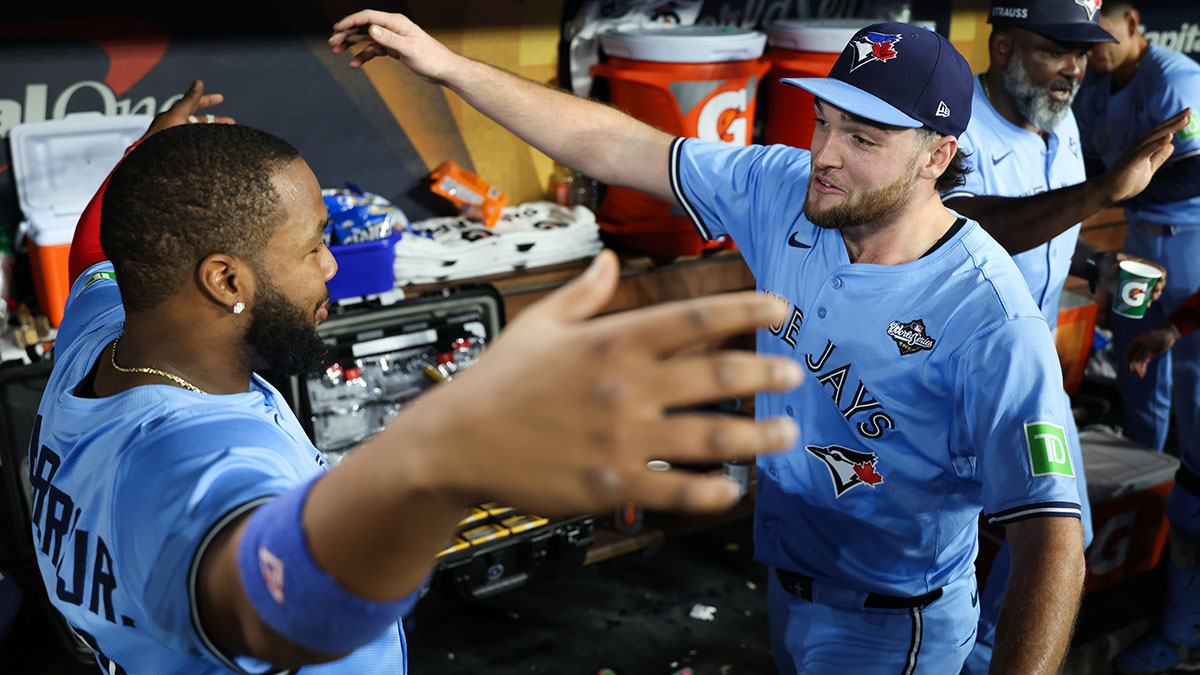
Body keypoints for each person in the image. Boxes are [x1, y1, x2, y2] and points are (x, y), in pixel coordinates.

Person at [329, 12, 1089, 673]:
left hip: (896, 623)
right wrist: (449, 67)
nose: (825, 152)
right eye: (824, 120)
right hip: (787, 586)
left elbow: (1054, 541)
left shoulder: (988, 314)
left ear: (936, 157)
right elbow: (618, 145)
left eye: (864, 137)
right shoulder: (788, 188)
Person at [30, 80, 806, 674]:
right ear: (226, 280)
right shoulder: (202, 460)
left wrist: (147, 155)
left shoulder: (102, 333)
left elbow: (91, 251)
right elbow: (271, 603)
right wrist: (436, 465)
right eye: (313, 246)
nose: (332, 266)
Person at [936, 2, 1183, 671]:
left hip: (1030, 373)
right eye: (1054, 51)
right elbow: (963, 234)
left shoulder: (1059, 118)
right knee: (957, 543)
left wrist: (1094, 264)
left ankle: (983, 653)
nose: (1073, 70)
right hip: (951, 376)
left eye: (1080, 54)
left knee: (1056, 538)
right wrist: (1106, 190)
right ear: (1004, 43)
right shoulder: (952, 123)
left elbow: (1045, 227)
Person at [1073, 4, 1200, 671]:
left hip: (1188, 246)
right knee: (1135, 375)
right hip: (1142, 248)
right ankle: (1138, 513)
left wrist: (1113, 192)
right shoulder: (1097, 81)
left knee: (1191, 389)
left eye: (1102, 27)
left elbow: (1197, 167)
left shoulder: (1172, 75)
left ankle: (1181, 616)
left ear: (1131, 17)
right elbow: (1099, 162)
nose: (1091, 44)